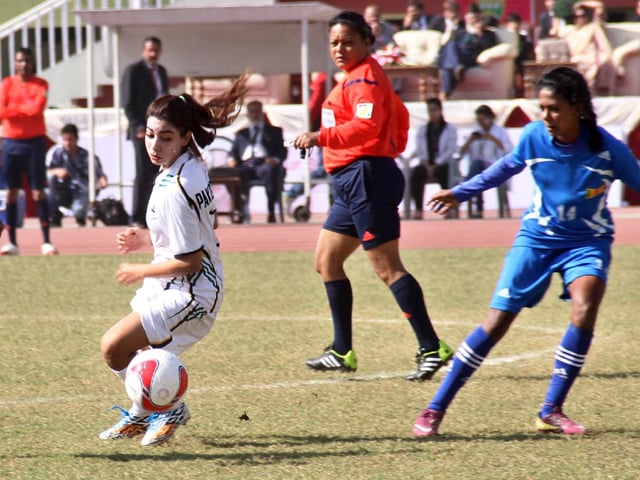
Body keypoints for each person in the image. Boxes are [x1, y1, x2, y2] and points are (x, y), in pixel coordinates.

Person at [413, 66, 640, 437]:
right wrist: (460, 192)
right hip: (536, 239)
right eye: (542, 109)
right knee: (497, 323)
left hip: (586, 242)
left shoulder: (608, 149)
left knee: (585, 308)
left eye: (553, 109)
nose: (545, 117)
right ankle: (435, 408)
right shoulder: (535, 137)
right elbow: (505, 168)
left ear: (577, 107)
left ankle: (551, 409)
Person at [292, 11, 453, 381]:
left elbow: (367, 125)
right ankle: (341, 350)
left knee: (387, 268)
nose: (340, 48)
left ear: (368, 43)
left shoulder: (363, 78)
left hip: (366, 177)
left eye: (348, 41)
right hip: (352, 181)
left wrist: (320, 137)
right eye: (334, 42)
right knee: (326, 262)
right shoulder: (353, 78)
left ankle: (432, 347)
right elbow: (393, 119)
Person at [99, 75, 249, 447]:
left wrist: (140, 268)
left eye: (165, 137)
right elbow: (202, 227)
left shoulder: (179, 185)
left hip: (193, 293)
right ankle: (150, 408)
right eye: (150, 134)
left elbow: (192, 260)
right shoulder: (184, 168)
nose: (154, 144)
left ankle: (168, 407)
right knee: (130, 350)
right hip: (174, 284)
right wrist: (149, 238)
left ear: (185, 137)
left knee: (114, 347)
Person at [0, 47, 57, 256]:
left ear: (32, 63)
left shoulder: (41, 84)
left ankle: (47, 242)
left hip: (34, 143)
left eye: (27, 61)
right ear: (15, 63)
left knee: (38, 191)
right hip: (11, 143)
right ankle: (13, 242)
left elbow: (37, 109)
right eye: (19, 60)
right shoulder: (6, 84)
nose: (23, 64)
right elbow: (1, 110)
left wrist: (14, 111)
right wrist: (23, 110)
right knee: (12, 193)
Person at [122, 36, 169, 228]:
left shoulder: (162, 72)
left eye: (156, 50)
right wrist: (139, 127)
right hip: (142, 131)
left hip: (160, 130)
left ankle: (156, 215)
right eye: (150, 50)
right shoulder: (133, 71)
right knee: (142, 173)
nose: (153, 54)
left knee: (159, 173)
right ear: (143, 51)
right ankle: (138, 217)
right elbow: (127, 103)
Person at [227, 100, 287, 224]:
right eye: (252, 112)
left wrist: (275, 160)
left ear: (262, 113)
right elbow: (233, 152)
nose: (255, 115)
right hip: (245, 165)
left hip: (264, 164)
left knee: (270, 171)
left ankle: (271, 210)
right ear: (248, 114)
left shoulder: (274, 131)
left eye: (257, 111)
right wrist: (231, 159)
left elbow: (282, 151)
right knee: (232, 174)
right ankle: (240, 209)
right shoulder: (241, 134)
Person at [46, 123, 108, 227]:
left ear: (77, 139)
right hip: (61, 191)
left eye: (70, 139)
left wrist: (103, 180)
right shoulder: (56, 153)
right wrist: (56, 171)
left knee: (78, 210)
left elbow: (100, 174)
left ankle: (80, 217)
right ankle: (54, 214)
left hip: (81, 190)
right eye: (65, 140)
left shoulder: (87, 156)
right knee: (48, 185)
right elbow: (44, 171)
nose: (67, 143)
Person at [457, 104, 512, 218]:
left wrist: (494, 139)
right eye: (479, 120)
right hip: (478, 167)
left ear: (491, 118)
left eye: (484, 119)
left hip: (495, 165)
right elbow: (459, 154)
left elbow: (509, 151)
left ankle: (463, 190)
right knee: (477, 168)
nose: (482, 123)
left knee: (476, 169)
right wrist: (470, 141)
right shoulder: (475, 133)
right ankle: (477, 207)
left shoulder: (500, 131)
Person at [409, 97, 458, 220]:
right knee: (416, 173)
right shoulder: (423, 129)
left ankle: (447, 207)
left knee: (445, 173)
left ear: (440, 110)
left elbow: (450, 150)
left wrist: (436, 164)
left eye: (434, 110)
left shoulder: (450, 129)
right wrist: (426, 164)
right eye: (429, 110)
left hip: (442, 163)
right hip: (426, 163)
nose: (432, 113)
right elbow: (420, 149)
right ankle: (419, 209)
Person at [437, 3, 498, 100]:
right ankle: (456, 69)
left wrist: (480, 34)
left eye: (476, 18)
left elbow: (490, 47)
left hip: (470, 57)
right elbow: (444, 49)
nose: (473, 20)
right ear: (466, 18)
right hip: (457, 57)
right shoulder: (459, 32)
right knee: (451, 46)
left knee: (448, 67)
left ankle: (444, 93)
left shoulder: (488, 33)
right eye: (471, 17)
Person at [562, 5, 615, 95]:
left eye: (582, 16)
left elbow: (605, 48)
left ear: (587, 16)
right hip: (573, 66)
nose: (579, 19)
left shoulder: (593, 27)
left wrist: (596, 67)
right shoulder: (570, 32)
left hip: (590, 65)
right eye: (576, 16)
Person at [506, 12, 534, 98]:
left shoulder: (524, 38)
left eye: (517, 24)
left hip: (522, 63)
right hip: (509, 64)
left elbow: (529, 51)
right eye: (513, 24)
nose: (515, 26)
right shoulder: (504, 38)